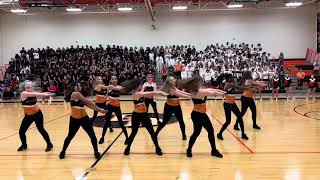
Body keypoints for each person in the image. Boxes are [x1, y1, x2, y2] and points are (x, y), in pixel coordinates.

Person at [178, 76, 225, 158]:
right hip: (199, 115)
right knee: (207, 131)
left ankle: (190, 149)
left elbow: (211, 90)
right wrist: (224, 93)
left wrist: (222, 91)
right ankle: (212, 150)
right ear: (197, 83)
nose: (202, 82)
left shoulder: (194, 90)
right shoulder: (200, 91)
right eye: (201, 81)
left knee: (198, 132)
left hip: (198, 114)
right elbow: (213, 93)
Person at [59, 82, 107, 159]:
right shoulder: (75, 94)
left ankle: (96, 152)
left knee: (92, 136)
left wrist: (99, 109)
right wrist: (99, 109)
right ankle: (63, 151)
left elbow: (88, 104)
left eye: (80, 86)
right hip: (74, 119)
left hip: (84, 118)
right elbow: (87, 101)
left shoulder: (80, 95)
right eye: (77, 85)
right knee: (70, 136)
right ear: (74, 87)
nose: (79, 87)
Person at [122, 79, 168, 156]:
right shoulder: (136, 94)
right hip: (136, 116)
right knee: (134, 133)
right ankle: (127, 148)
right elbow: (150, 93)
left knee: (152, 133)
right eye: (140, 85)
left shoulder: (139, 93)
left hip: (144, 115)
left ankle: (157, 148)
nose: (141, 86)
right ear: (137, 86)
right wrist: (160, 92)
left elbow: (149, 94)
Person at [18, 81, 53, 152]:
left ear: (32, 87)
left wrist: (46, 94)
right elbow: (35, 94)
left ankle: (49, 144)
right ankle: (24, 145)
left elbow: (35, 94)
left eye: (29, 85)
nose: (27, 86)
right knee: (21, 131)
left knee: (41, 129)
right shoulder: (23, 94)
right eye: (26, 85)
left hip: (37, 114)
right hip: (28, 116)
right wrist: (44, 94)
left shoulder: (33, 93)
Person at [155, 76, 191, 140]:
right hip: (169, 107)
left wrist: (190, 94)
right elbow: (181, 95)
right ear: (169, 82)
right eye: (172, 80)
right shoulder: (170, 89)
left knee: (181, 121)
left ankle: (184, 135)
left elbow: (182, 92)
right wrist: (191, 96)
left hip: (177, 106)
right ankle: (155, 133)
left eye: (173, 79)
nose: (174, 80)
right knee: (164, 122)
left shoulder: (174, 87)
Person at [217, 74, 249, 141]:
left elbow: (237, 88)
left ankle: (243, 134)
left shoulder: (231, 84)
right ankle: (219, 134)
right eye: (231, 77)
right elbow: (239, 87)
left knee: (240, 117)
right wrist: (248, 87)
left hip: (232, 103)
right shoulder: (228, 84)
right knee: (228, 121)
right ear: (228, 78)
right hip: (227, 104)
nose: (233, 78)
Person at [99, 75, 129, 145]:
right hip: (109, 106)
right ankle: (102, 137)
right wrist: (104, 98)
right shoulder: (110, 86)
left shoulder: (119, 87)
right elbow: (108, 94)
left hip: (117, 107)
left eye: (115, 79)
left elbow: (122, 89)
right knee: (106, 122)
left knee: (121, 123)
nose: (114, 80)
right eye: (112, 79)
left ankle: (127, 138)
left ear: (117, 80)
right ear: (111, 80)